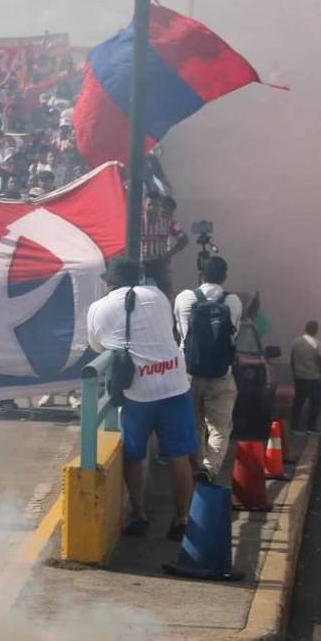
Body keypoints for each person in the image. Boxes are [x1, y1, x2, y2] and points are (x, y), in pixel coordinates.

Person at [87, 256, 199, 540]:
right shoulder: (158, 296)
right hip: (174, 384)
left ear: (107, 281)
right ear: (139, 277)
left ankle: (140, 516)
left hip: (138, 392)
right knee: (179, 457)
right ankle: (182, 519)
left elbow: (97, 345)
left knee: (135, 457)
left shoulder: (98, 309)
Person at [174, 256, 243, 477]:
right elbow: (234, 334)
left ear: (200, 274)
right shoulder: (234, 302)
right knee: (220, 428)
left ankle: (195, 467)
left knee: (193, 425)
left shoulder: (184, 298)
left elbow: (180, 332)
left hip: (189, 373)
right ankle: (209, 470)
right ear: (224, 277)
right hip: (221, 374)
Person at [140, 192, 188, 298]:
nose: (152, 208)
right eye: (149, 205)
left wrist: (168, 255)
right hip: (141, 264)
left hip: (159, 263)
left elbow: (184, 240)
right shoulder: (138, 222)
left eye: (156, 205)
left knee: (165, 292)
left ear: (160, 206)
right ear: (144, 205)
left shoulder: (169, 223)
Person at [291, 321, 321, 436]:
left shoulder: (296, 342)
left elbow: (292, 359)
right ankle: (311, 427)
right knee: (316, 403)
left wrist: (295, 372)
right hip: (313, 378)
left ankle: (294, 427)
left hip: (299, 377)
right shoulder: (317, 344)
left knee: (298, 402)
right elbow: (320, 361)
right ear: (316, 330)